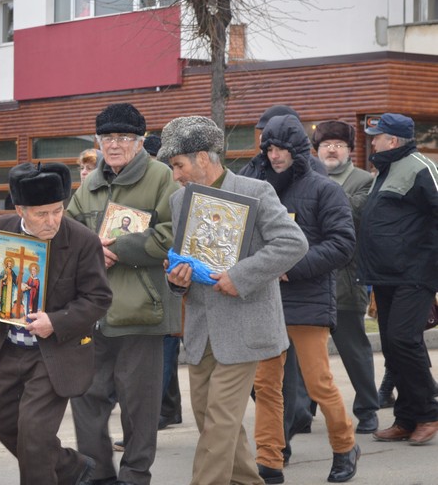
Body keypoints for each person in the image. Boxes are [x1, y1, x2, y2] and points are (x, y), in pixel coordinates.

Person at [158, 116, 308, 485]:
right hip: (200, 332)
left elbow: (293, 243)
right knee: (212, 421)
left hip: (246, 328)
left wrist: (239, 277)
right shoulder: (180, 201)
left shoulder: (256, 191)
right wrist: (176, 278)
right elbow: (186, 259)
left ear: (202, 158)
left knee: (219, 424)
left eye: (178, 165)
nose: (175, 175)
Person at [67, 103, 180, 485]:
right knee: (86, 398)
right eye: (107, 138)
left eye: (123, 138)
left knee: (139, 408)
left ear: (140, 142)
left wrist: (119, 248)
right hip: (92, 312)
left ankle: (134, 477)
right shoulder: (89, 184)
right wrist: (89, 251)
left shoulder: (161, 177)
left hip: (140, 313)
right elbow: (68, 232)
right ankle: (98, 474)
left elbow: (171, 235)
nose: (114, 146)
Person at [0, 162, 112, 485]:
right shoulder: (0, 229)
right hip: (11, 347)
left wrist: (56, 320)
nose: (52, 221)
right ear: (20, 209)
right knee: (1, 421)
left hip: (54, 352)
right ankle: (70, 467)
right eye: (42, 214)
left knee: (35, 436)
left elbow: (98, 298)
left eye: (58, 210)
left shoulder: (82, 241)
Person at [251, 114, 359, 484]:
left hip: (308, 300)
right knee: (266, 386)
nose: (274, 154)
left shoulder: (325, 189)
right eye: (269, 148)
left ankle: (345, 447)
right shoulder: (257, 186)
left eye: (281, 148)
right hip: (265, 300)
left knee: (318, 384)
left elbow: (342, 244)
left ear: (298, 149)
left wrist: (290, 267)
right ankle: (269, 459)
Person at [360, 113, 438, 446]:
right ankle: (407, 418)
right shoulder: (386, 169)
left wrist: (428, 266)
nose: (372, 141)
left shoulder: (421, 167)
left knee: (404, 339)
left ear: (392, 140)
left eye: (376, 136)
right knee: (394, 345)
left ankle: (429, 412)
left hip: (415, 272)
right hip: (386, 274)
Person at [310, 120, 379, 434]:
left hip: (347, 278)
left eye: (338, 144)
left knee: (354, 349)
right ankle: (303, 410)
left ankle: (368, 409)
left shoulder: (364, 180)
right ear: (317, 149)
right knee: (306, 351)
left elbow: (354, 215)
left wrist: (319, 191)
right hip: (310, 277)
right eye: (326, 144)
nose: (332, 149)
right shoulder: (306, 179)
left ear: (350, 150)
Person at [238, 105, 327, 179]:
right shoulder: (253, 167)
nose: (263, 138)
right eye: (262, 132)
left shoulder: (313, 168)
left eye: (269, 133)